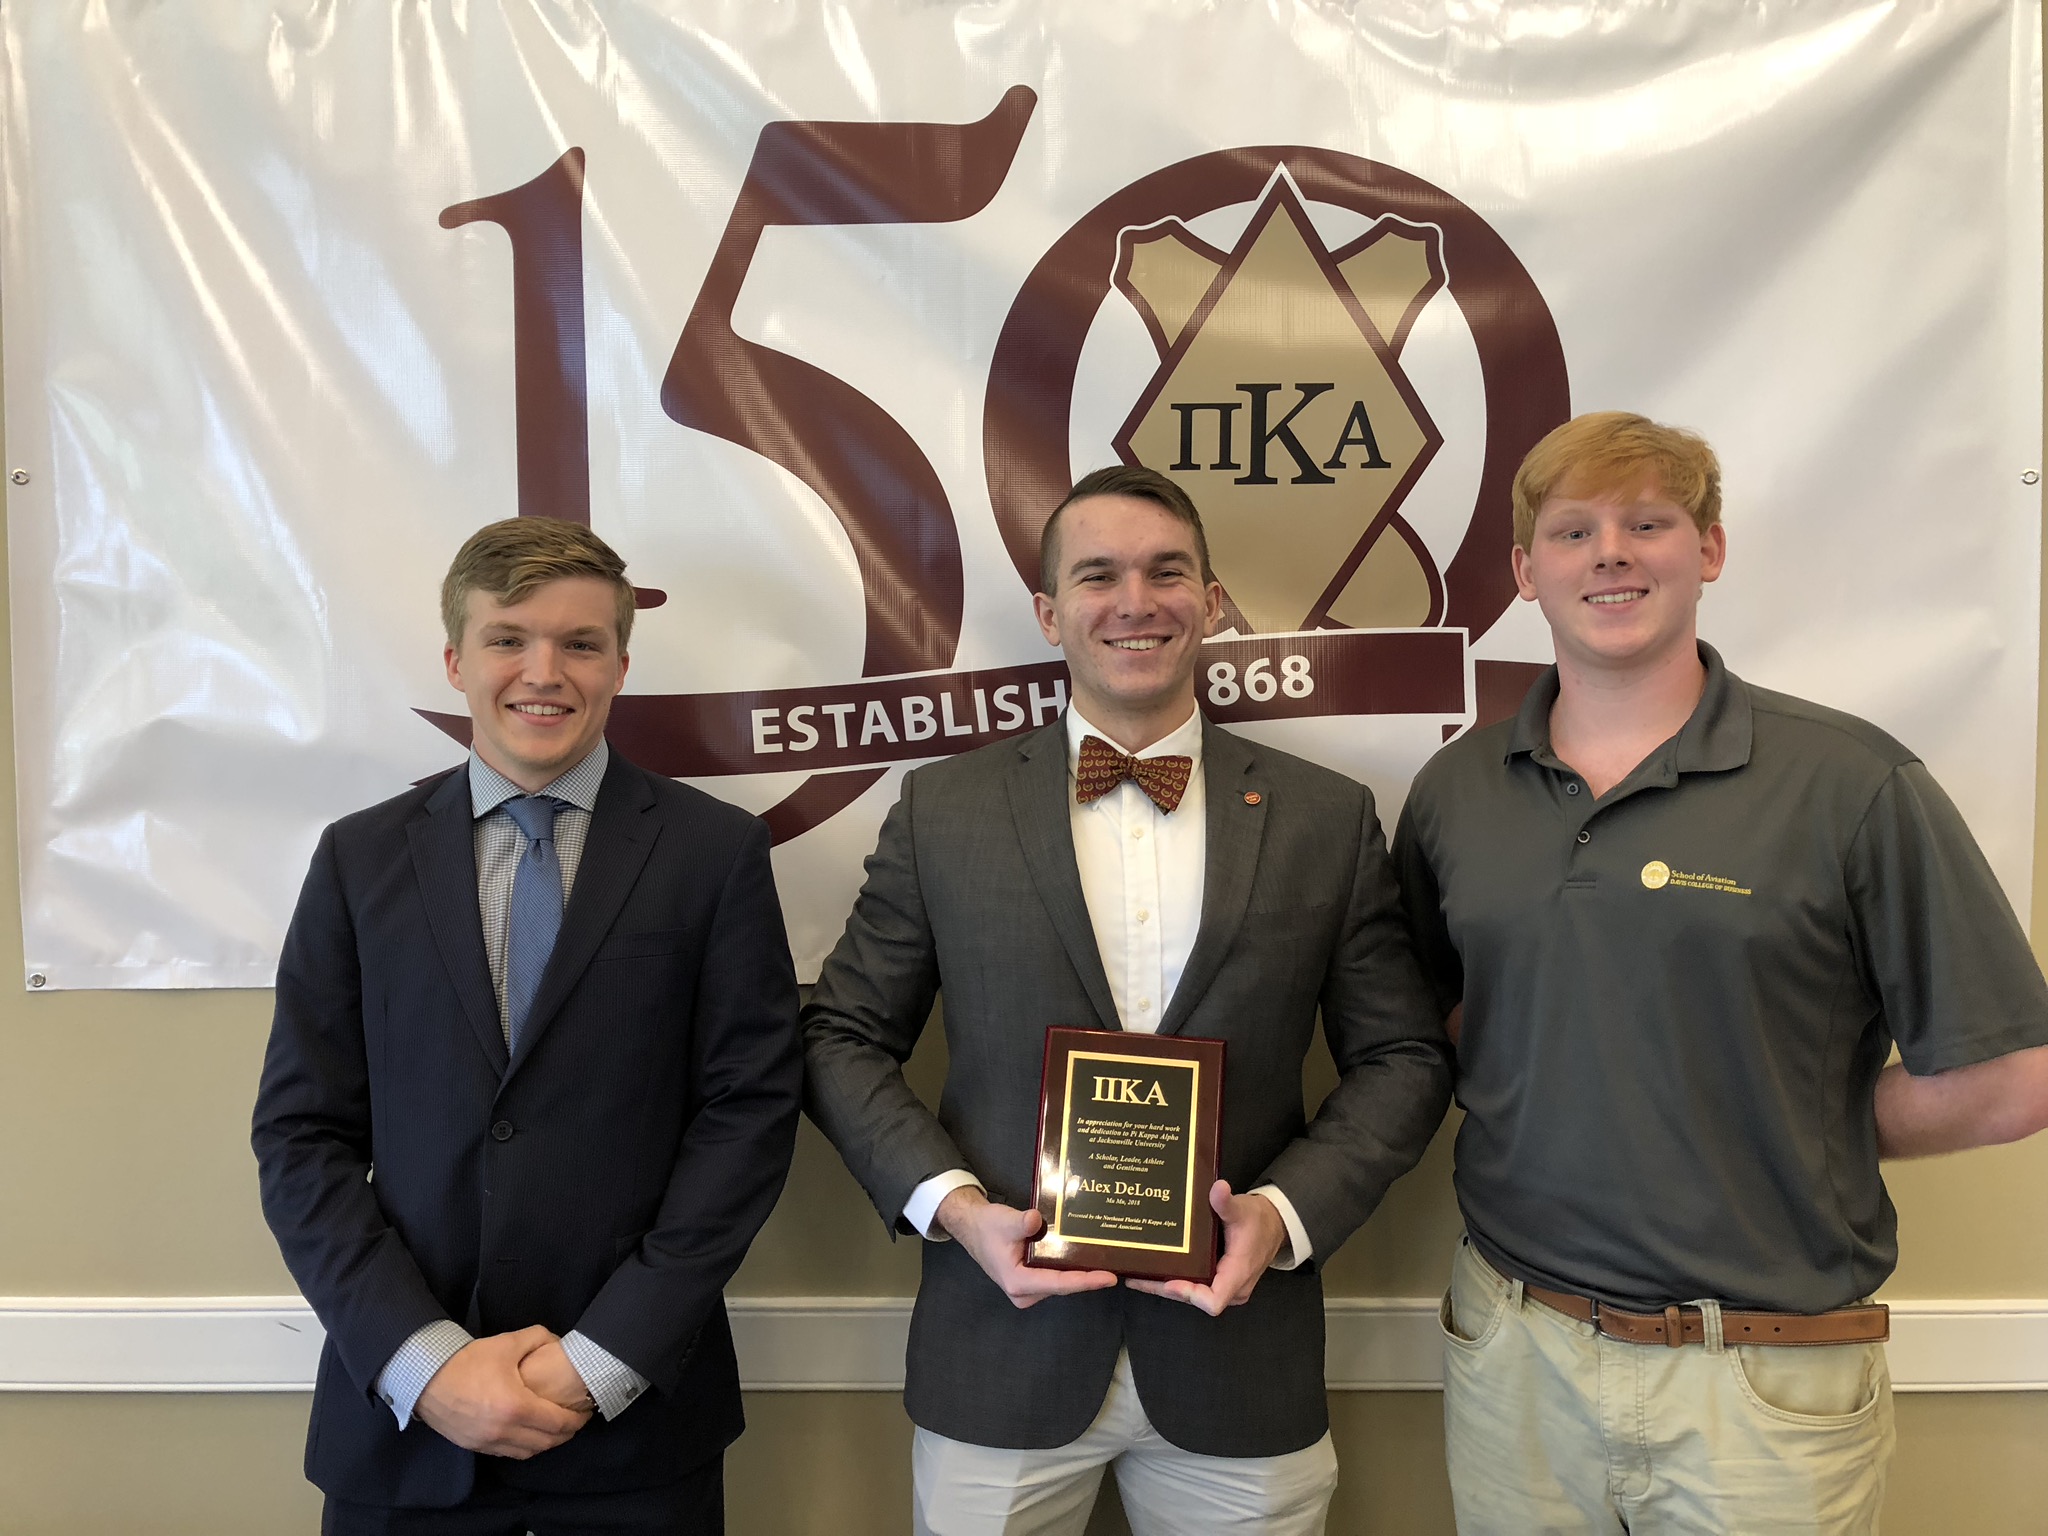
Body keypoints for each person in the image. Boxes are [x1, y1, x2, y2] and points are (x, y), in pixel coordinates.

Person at [1392, 411, 2048, 1533]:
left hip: (1760, 1378)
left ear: (1708, 550)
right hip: (1514, 1348)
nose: (1609, 553)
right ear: (1521, 572)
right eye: (1572, 531)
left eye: (1647, 522)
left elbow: (2013, 1076)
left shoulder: (1850, 783)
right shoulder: (1456, 791)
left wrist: (1793, 1113)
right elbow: (1434, 1017)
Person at [802, 464, 1452, 1535]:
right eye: (1097, 576)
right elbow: (839, 1037)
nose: (1135, 601)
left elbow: (1404, 1059)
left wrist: (1278, 1219)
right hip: (996, 1353)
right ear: (1051, 613)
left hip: (1240, 1351)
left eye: (1166, 572)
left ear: (1210, 601)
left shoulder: (1322, 819)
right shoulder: (943, 812)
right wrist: (956, 1213)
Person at [252, 517, 800, 1534]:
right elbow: (301, 1137)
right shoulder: (357, 861)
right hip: (405, 1434)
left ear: (620, 665)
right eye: (508, 637)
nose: (542, 671)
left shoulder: (712, 855)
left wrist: (600, 1360)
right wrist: (427, 1362)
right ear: (457, 659)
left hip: (634, 1431)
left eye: (580, 643)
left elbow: (747, 1119)